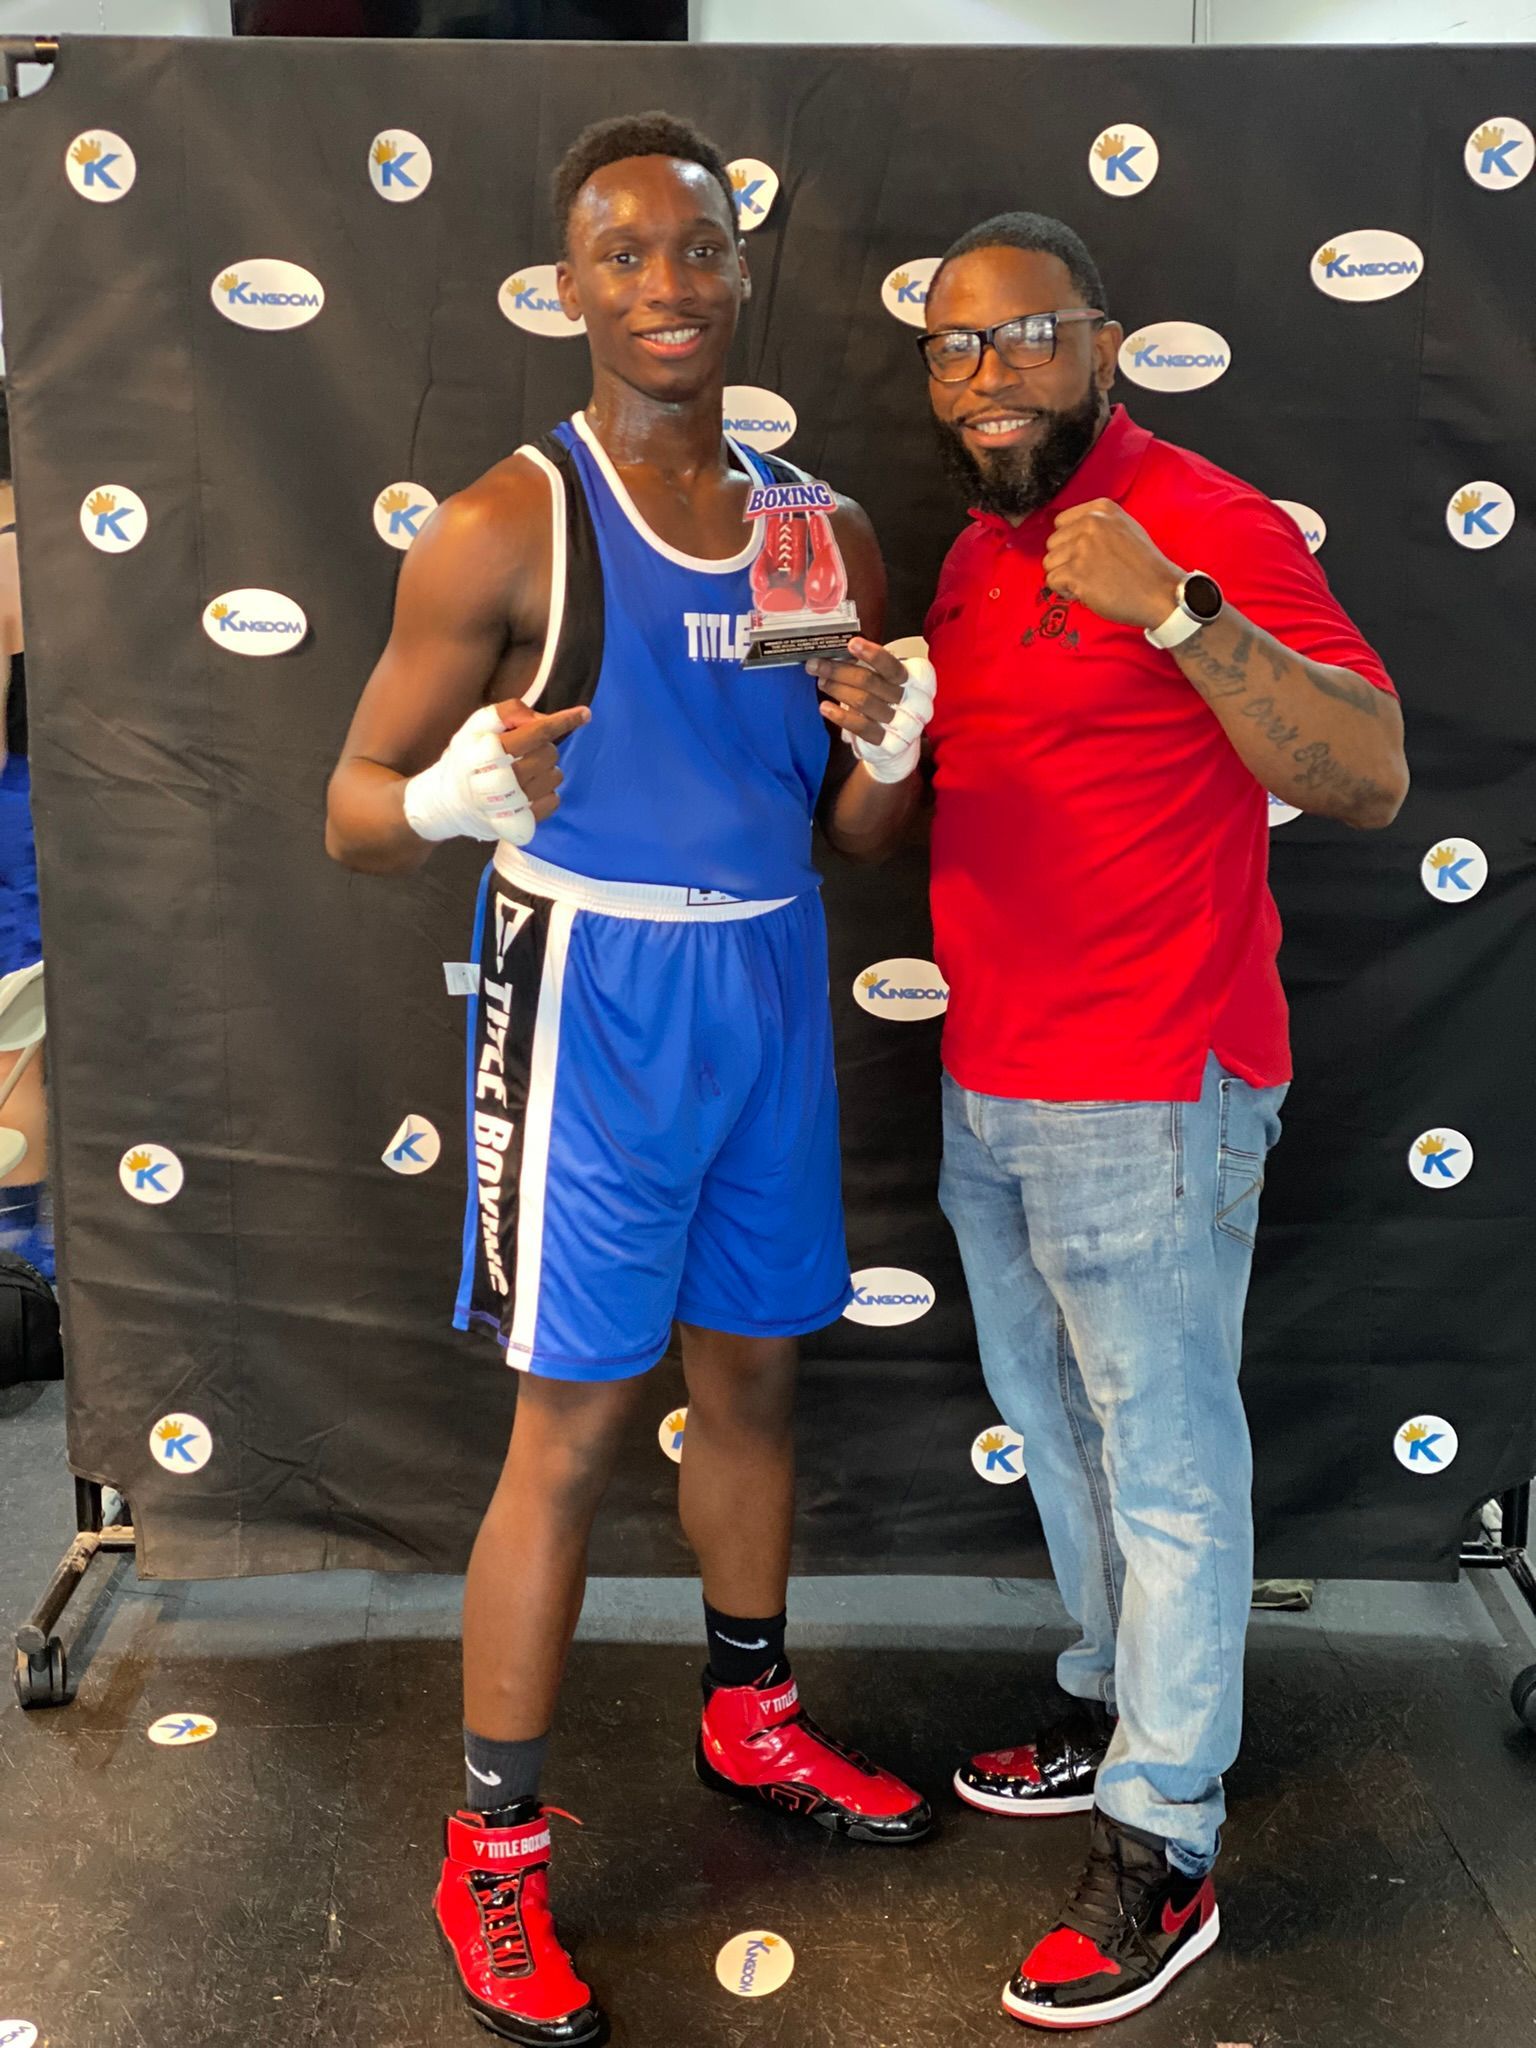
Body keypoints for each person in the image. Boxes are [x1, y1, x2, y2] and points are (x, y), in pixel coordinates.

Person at [326, 113, 938, 2047]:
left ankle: (751, 1718)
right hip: (592, 984)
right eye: (625, 254)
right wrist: (450, 794)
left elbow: (844, 834)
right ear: (567, 284)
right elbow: (350, 813)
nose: (666, 286)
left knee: (753, 1375)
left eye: (695, 250)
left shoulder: (817, 528)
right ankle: (491, 1853)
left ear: (738, 270)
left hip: (765, 966)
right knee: (574, 1436)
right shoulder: (510, 519)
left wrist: (897, 742)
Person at [807, 211, 1408, 2030]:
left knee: (1162, 1463)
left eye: (1028, 338)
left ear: (1106, 342)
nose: (991, 378)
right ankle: (1114, 1702)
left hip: (1154, 1078)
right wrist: (888, 744)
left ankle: (1165, 1833)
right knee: (1057, 1430)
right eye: (958, 349)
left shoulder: (1195, 520)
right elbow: (896, 832)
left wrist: (1187, 611)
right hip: (994, 1076)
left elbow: (1370, 773)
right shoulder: (982, 562)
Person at [0, 381, 53, 1282]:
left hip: (15, 813)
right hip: (53, 802)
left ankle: (18, 1265)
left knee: (13, 1044)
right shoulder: (47, 532)